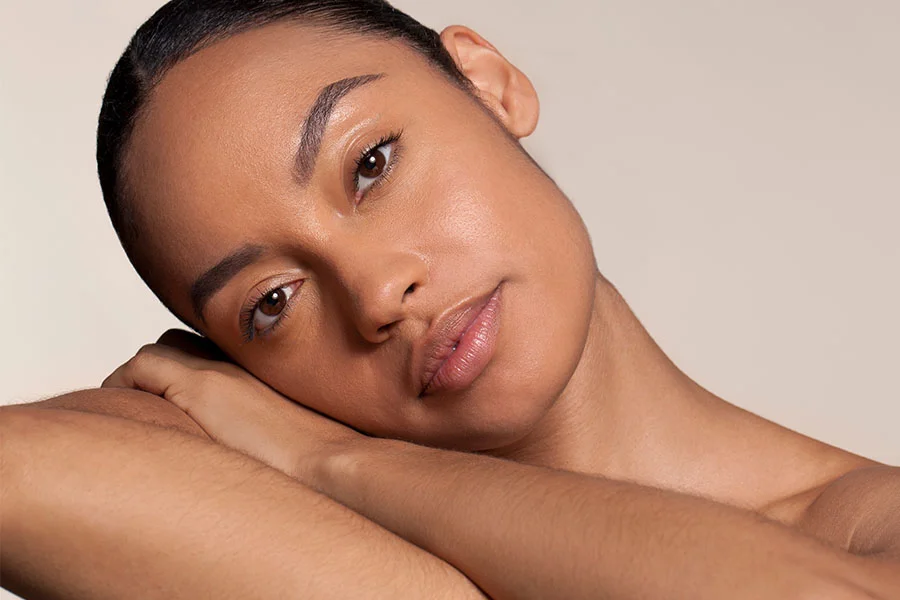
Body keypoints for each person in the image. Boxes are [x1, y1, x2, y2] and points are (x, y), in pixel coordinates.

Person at [2, 1, 898, 598]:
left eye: (371, 164)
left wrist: (331, 465)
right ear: (229, 365)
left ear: (488, 83)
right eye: (272, 301)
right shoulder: (246, 487)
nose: (378, 292)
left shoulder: (868, 530)